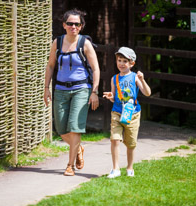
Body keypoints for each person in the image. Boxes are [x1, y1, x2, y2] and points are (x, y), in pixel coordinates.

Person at [44, 9, 100, 176]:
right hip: (60, 89)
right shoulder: (58, 42)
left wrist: (94, 91)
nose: (73, 26)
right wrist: (46, 88)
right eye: (70, 23)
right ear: (64, 25)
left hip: (81, 89)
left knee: (75, 128)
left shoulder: (85, 44)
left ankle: (70, 166)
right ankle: (78, 148)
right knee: (61, 129)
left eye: (76, 24)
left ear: (81, 26)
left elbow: (96, 69)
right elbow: (51, 65)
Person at [103, 47, 151, 178]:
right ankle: (115, 169)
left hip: (133, 114)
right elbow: (115, 97)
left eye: (125, 61)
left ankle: (130, 168)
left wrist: (142, 80)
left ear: (132, 63)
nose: (121, 63)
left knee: (130, 144)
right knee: (115, 139)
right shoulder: (115, 78)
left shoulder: (135, 77)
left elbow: (147, 93)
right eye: (119, 60)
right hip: (117, 112)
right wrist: (110, 96)